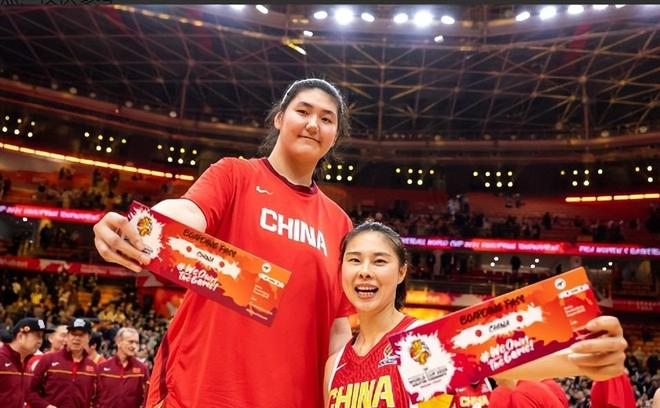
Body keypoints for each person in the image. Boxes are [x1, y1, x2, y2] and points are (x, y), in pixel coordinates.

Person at [93, 78, 354, 407]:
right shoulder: (234, 175)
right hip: (203, 391)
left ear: (335, 136)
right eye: (303, 111)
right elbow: (190, 211)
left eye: (327, 119)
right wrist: (142, 226)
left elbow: (338, 327)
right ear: (279, 118)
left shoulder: (340, 224)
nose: (313, 124)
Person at [324, 221, 629, 408]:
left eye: (379, 261)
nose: (365, 271)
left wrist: (593, 354)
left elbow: (513, 361)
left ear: (401, 272)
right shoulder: (334, 365)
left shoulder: (421, 344)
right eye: (354, 260)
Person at [27, 317, 97, 408]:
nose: (77, 338)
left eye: (81, 335)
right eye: (73, 334)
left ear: (89, 338)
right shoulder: (48, 359)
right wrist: (46, 406)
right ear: (67, 336)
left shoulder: (93, 367)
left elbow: (97, 398)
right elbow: (30, 391)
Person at [0, 318, 54, 408]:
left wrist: (46, 406)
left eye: (42, 337)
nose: (40, 341)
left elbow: (28, 394)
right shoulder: (1, 359)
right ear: (20, 336)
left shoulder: (26, 364)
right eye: (38, 336)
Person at [94, 327, 149, 408]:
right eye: (131, 342)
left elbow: (147, 398)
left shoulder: (142, 369)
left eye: (137, 343)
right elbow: (94, 397)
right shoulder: (102, 368)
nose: (134, 346)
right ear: (118, 342)